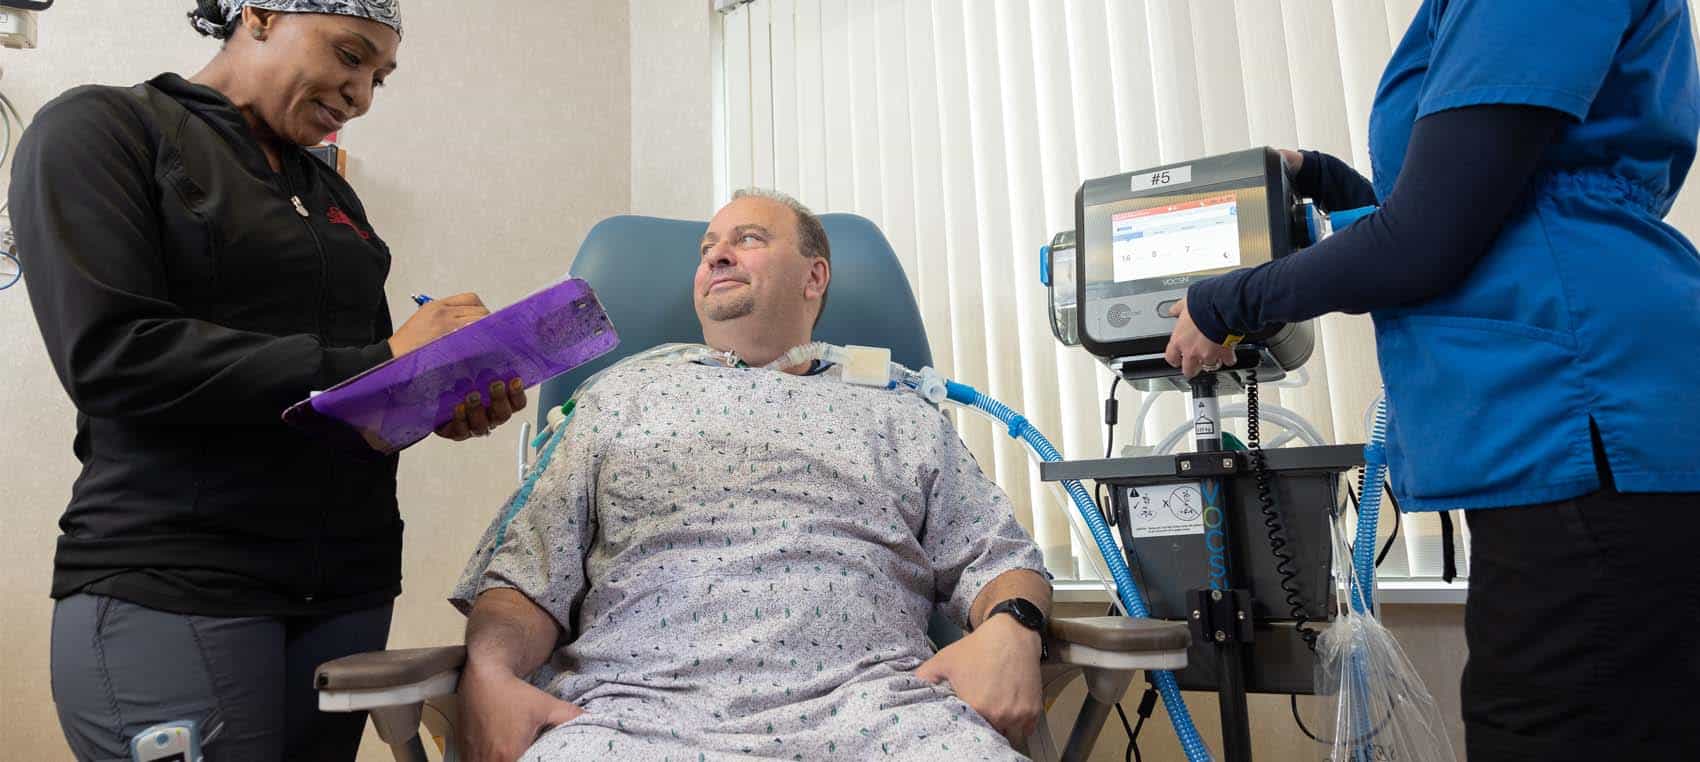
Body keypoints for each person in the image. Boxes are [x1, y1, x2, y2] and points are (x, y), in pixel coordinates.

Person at [1164, 1, 1700, 759]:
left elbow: (1425, 240)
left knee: (1546, 729)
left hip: (1582, 409)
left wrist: (1225, 303)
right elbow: (1459, 209)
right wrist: (1327, 181)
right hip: (1571, 417)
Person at [11, 2, 525, 759]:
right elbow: (112, 356)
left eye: (379, 77)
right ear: (255, 15)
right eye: (349, 56)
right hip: (179, 578)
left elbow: (350, 391)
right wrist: (385, 361)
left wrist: (432, 398)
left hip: (344, 588)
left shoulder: (330, 194)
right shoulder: (105, 129)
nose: (361, 94)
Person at [450, 189, 1054, 762]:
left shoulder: (899, 412)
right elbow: (526, 581)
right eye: (708, 247)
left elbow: (999, 558)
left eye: (748, 239)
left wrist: (1016, 625)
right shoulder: (615, 400)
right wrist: (490, 671)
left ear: (813, 277)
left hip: (885, 719)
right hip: (627, 721)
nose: (716, 255)